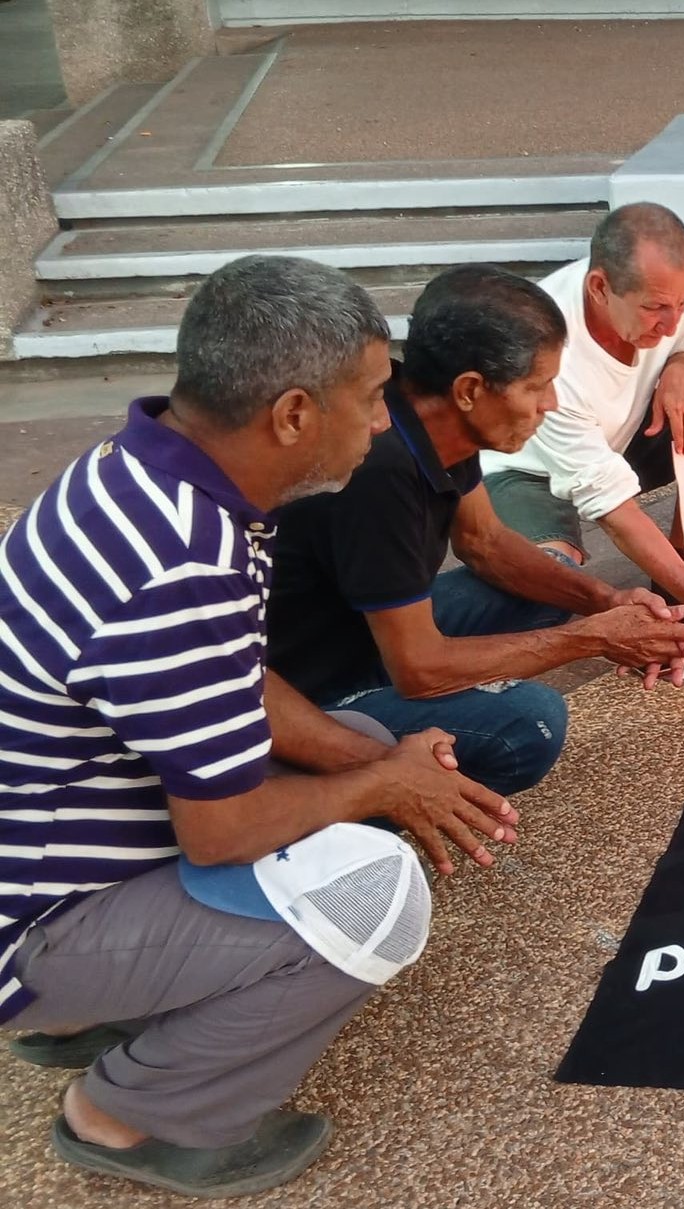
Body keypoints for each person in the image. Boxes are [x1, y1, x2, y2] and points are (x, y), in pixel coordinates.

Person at [0, 255, 516, 1196]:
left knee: (361, 782)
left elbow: (237, 670)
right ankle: (129, 1115)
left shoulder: (152, 473)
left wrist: (376, 760)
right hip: (33, 917)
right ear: (292, 415)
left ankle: (90, 1013)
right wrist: (383, 784)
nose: (381, 421)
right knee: (372, 900)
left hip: (57, 842)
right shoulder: (178, 562)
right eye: (370, 397)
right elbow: (223, 829)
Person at [267, 264, 684, 798]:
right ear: (470, 390)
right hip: (311, 691)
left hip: (368, 633)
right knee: (530, 721)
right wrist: (595, 638)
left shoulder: (428, 414)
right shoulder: (381, 467)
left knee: (551, 579)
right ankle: (347, 784)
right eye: (536, 387)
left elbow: (486, 543)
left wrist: (607, 602)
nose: (550, 404)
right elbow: (418, 668)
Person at [480, 203, 684, 668]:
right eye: (654, 309)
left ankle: (677, 574)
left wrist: (682, 370)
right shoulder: (552, 352)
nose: (670, 323)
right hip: (529, 466)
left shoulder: (667, 288)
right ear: (599, 288)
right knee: (547, 581)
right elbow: (614, 510)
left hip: (623, 437)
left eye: (681, 305)